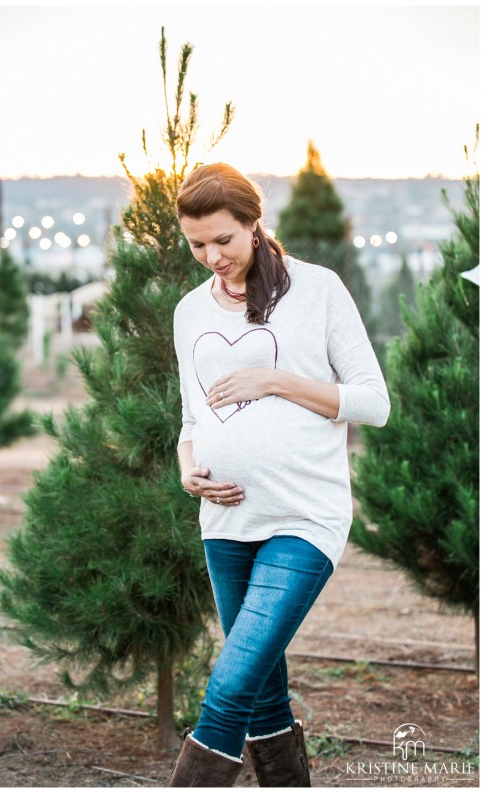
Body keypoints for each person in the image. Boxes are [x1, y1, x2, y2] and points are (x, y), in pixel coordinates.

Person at [170, 163, 390, 787]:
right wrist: (190, 473)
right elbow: (192, 419)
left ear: (253, 223)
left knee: (232, 681)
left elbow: (373, 402)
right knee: (263, 691)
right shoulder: (190, 312)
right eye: (196, 244)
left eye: (223, 240)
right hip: (225, 519)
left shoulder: (316, 289)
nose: (211, 255)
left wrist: (274, 380)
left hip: (304, 517)